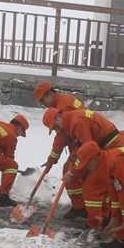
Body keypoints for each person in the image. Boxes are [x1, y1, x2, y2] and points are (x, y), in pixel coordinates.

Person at [42, 107, 124, 222]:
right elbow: (65, 142)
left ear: (58, 117)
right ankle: (81, 208)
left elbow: (88, 151)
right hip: (101, 151)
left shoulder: (78, 121)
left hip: (113, 151)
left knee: (93, 186)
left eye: (55, 127)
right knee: (70, 169)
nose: (56, 130)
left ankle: (102, 218)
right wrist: (52, 160)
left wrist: (72, 172)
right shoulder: (70, 121)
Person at [35, 81, 85, 217]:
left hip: (83, 140)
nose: (43, 104)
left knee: (70, 170)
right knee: (76, 172)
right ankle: (82, 205)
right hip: (79, 139)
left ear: (50, 95)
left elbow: (61, 137)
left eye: (42, 100)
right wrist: (52, 159)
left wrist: (52, 159)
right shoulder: (63, 100)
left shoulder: (62, 108)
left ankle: (80, 207)